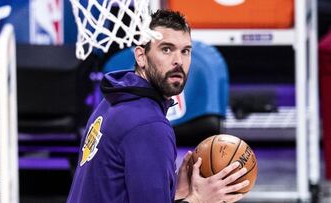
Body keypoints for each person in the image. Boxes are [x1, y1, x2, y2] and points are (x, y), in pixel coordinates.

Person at [67, 9, 249, 203]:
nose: (178, 61)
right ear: (141, 56)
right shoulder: (148, 125)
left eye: (185, 51)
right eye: (166, 49)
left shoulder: (111, 101)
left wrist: (174, 193)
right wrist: (198, 200)